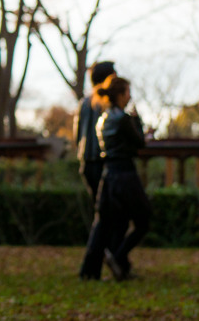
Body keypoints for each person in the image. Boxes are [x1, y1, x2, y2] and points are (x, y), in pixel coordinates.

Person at [79, 76, 151, 281]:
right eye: (128, 92)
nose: (130, 96)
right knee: (143, 220)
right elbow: (139, 143)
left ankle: (97, 269)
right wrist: (137, 120)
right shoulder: (124, 118)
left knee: (107, 223)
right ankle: (117, 258)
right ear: (120, 95)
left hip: (108, 177)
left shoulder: (102, 119)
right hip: (126, 176)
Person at [73, 61, 116, 200]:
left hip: (86, 161)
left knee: (98, 206)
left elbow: (78, 135)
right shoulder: (107, 102)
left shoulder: (83, 103)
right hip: (103, 161)